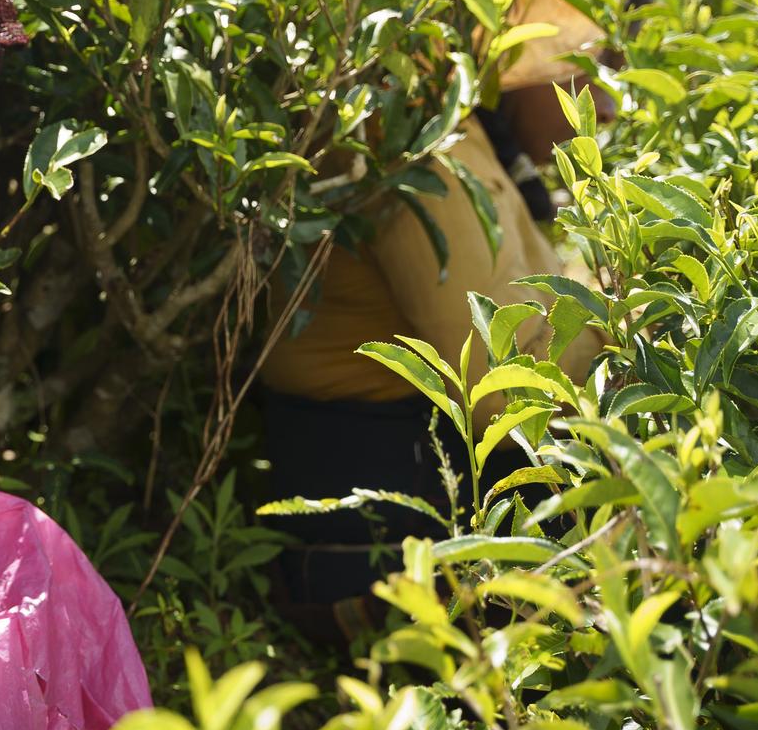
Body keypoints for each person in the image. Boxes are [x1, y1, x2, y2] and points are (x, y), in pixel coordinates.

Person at [257, 84, 604, 643]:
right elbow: (503, 396)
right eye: (589, 59)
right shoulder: (416, 140)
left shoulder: (456, 124)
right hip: (382, 561)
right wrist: (625, 325)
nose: (606, 101)